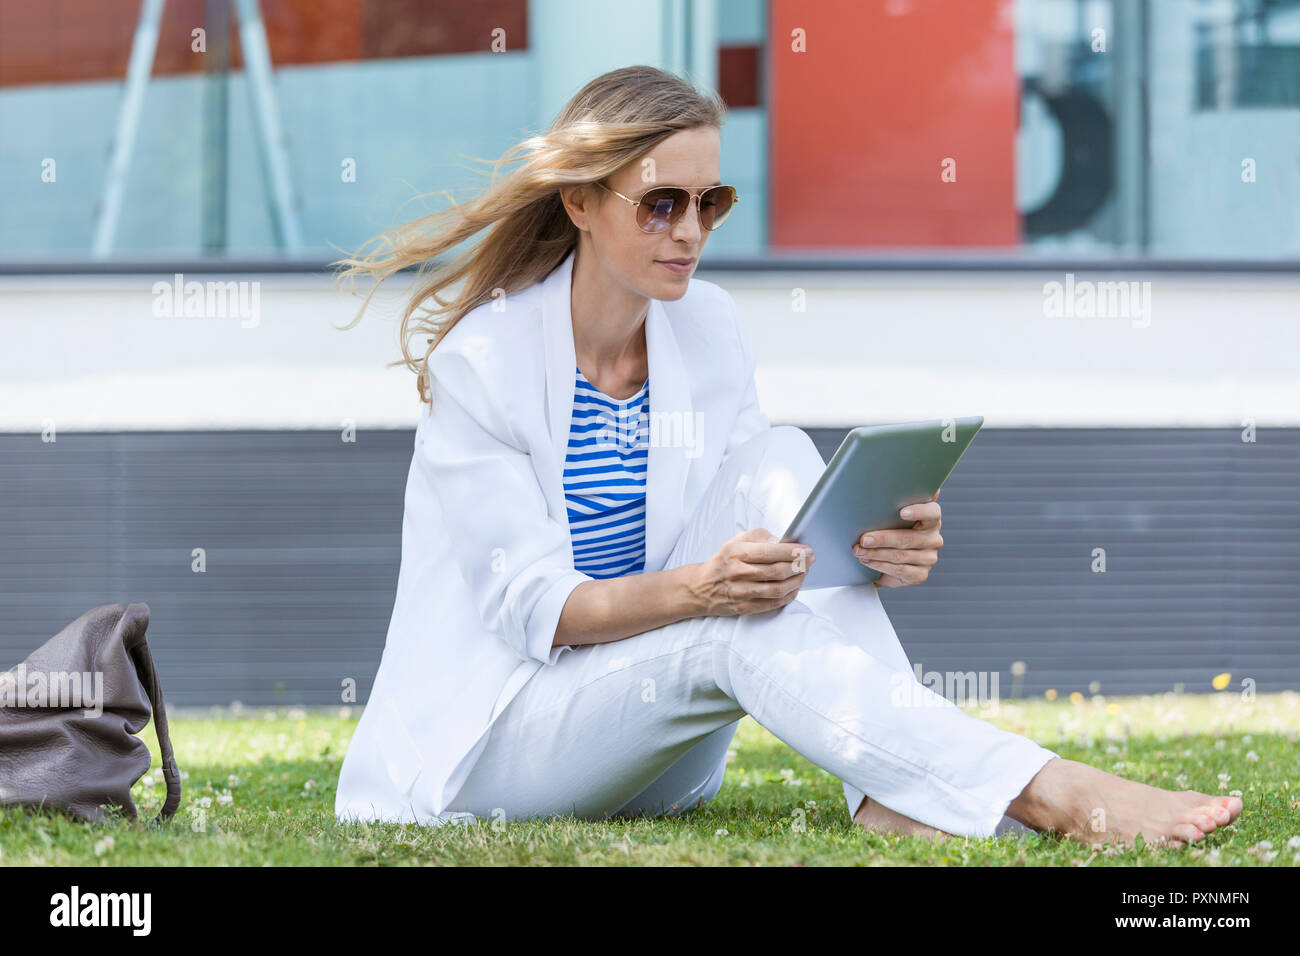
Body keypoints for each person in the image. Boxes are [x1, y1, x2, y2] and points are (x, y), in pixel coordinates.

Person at [329, 65, 1242, 847]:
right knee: (730, 624)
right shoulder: (482, 366)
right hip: (496, 749)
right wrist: (705, 590)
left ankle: (885, 793)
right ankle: (1047, 789)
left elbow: (764, 539)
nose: (688, 231)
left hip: (648, 745)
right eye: (659, 203)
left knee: (783, 455)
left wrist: (865, 554)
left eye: (709, 203)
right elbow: (541, 613)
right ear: (579, 201)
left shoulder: (709, 327)